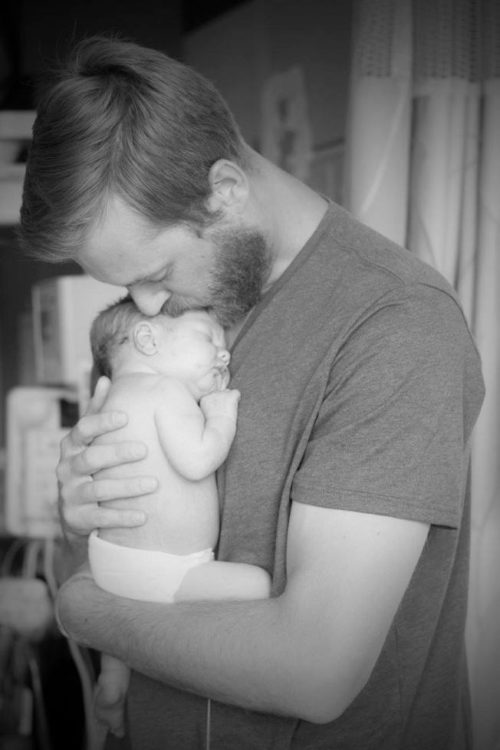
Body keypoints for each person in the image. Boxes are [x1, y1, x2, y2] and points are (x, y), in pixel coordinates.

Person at [19, 36, 484, 750]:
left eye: (156, 272)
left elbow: (316, 670)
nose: (142, 308)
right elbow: (126, 528)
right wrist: (81, 512)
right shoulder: (164, 326)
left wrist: (82, 606)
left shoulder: (394, 326)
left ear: (226, 190)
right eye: (123, 286)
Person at [87, 298, 270, 741]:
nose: (223, 353)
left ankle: (112, 679)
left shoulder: (111, 399)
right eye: (207, 338)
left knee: (126, 619)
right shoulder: (163, 391)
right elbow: (196, 458)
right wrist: (220, 416)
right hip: (168, 571)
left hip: (110, 563)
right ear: (148, 339)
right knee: (259, 586)